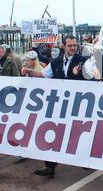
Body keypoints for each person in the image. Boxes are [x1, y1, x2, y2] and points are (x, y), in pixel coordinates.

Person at [22, 35, 89, 179]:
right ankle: (49, 166)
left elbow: (95, 75)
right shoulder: (56, 61)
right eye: (70, 45)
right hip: (60, 105)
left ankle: (86, 159)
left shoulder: (84, 61)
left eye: (74, 45)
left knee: (80, 133)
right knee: (53, 132)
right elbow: (44, 75)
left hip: (79, 105)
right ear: (64, 46)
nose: (73, 48)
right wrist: (30, 72)